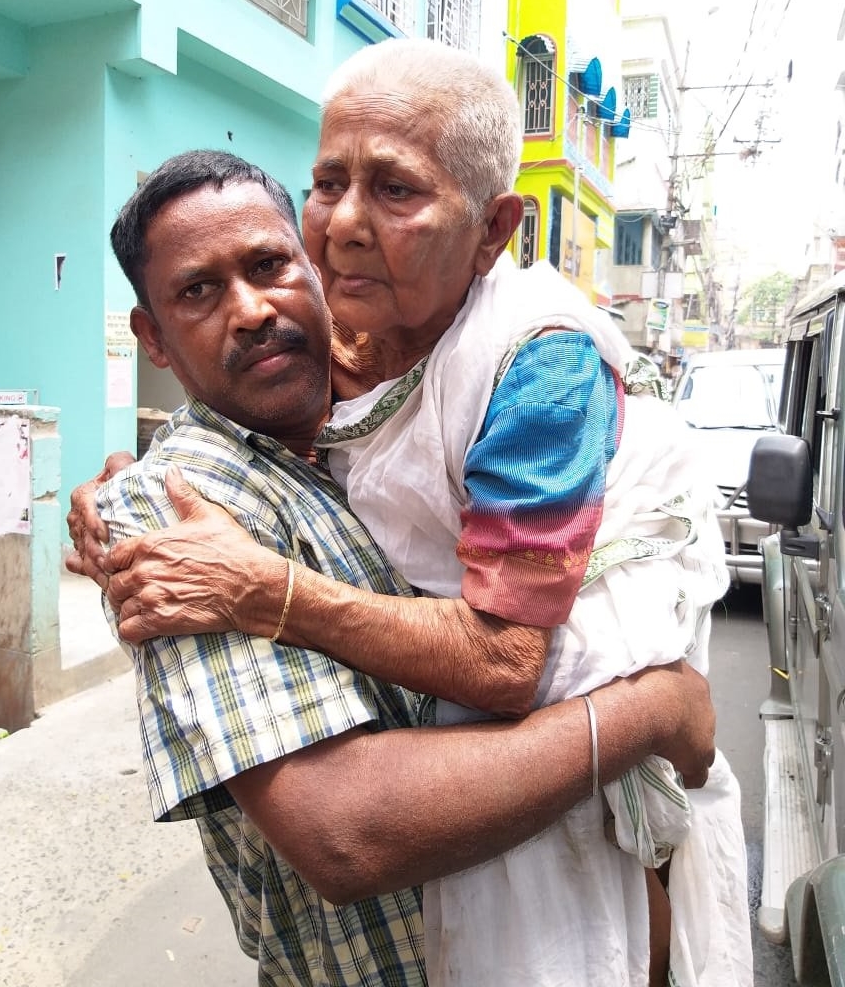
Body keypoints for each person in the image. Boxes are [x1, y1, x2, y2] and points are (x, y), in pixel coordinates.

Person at [84, 147, 718, 987]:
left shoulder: (401, 406)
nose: (248, 309)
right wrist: (648, 710)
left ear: (312, 267)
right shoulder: (174, 513)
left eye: (270, 266)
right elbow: (346, 832)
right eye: (198, 291)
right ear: (153, 338)